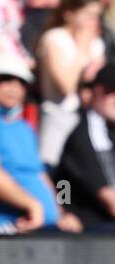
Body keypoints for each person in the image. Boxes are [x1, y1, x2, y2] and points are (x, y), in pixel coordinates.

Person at [0, 53, 82, 234]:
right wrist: (32, 204)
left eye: (21, 82)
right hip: (9, 229)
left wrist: (61, 214)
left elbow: (40, 175)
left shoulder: (24, 127)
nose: (14, 88)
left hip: (45, 227)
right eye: (5, 79)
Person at [34, 0, 105, 168]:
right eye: (88, 16)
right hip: (58, 114)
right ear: (69, 14)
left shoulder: (96, 43)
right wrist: (81, 49)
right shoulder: (55, 39)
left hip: (88, 117)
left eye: (96, 16)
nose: (93, 22)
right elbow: (66, 86)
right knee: (51, 168)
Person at [55, 62, 115, 232]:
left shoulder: (109, 129)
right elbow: (62, 183)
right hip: (91, 231)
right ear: (97, 91)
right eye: (111, 91)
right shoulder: (89, 134)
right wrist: (63, 210)